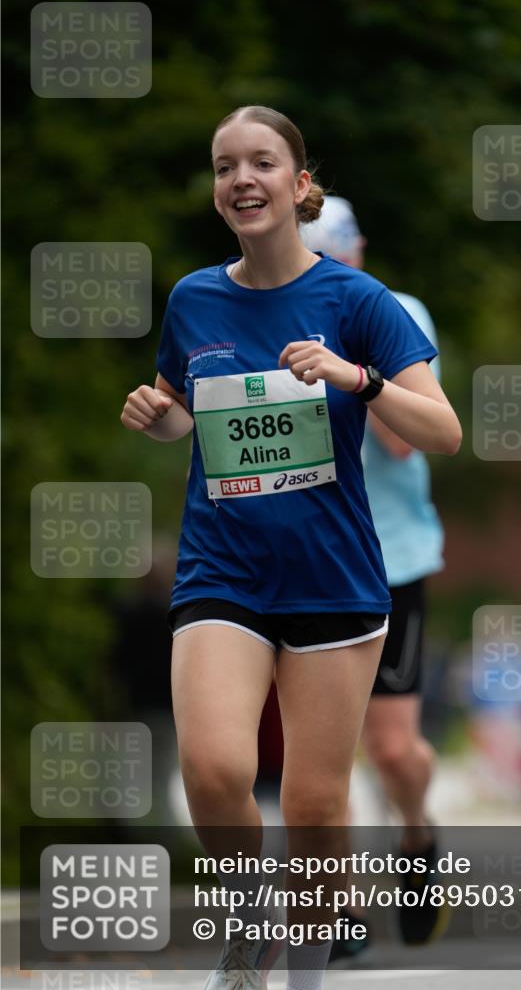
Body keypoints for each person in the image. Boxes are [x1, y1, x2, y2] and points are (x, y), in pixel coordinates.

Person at [120, 106, 462, 990]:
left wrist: (357, 377)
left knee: (313, 808)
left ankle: (303, 978)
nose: (242, 178)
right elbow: (186, 409)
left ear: (299, 183)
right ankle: (250, 916)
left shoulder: (357, 301)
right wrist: (163, 421)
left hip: (334, 578)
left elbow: (442, 431)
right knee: (214, 765)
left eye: (262, 162)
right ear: (216, 189)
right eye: (225, 165)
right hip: (222, 571)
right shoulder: (194, 298)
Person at [301, 197, 450, 955]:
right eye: (318, 257)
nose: (332, 270)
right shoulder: (271, 316)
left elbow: (402, 445)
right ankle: (341, 904)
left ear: (357, 252)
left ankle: (418, 837)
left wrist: (351, 370)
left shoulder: (398, 312)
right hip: (308, 561)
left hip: (392, 558)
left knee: (392, 749)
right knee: (326, 748)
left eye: (340, 255)